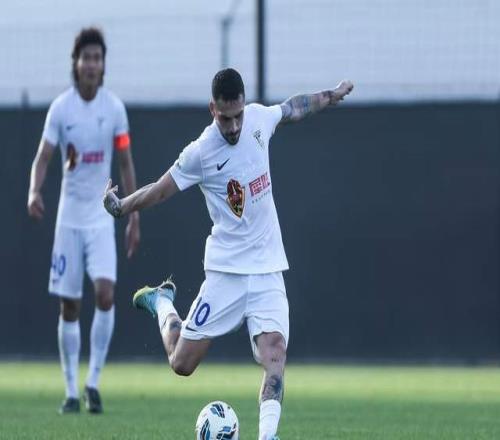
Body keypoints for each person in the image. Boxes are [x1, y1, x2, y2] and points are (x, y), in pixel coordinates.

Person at [103, 68, 353, 439]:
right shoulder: (201, 152)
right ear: (212, 110)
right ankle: (163, 302)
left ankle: (267, 436)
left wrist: (329, 96)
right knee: (181, 363)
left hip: (267, 268)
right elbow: (159, 189)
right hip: (226, 273)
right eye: (225, 119)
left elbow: (293, 108)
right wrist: (122, 206)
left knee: (275, 353)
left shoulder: (258, 119)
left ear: (244, 105)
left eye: (237, 116)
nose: (234, 127)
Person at [27, 27, 140, 415]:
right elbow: (43, 157)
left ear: (103, 64)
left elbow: (125, 161)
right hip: (69, 221)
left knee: (106, 294)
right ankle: (71, 391)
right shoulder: (61, 109)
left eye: (97, 58)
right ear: (75, 64)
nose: (92, 64)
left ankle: (93, 383)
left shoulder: (114, 109)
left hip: (101, 218)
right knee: (70, 307)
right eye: (86, 57)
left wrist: (133, 214)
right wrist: (34, 191)